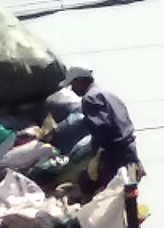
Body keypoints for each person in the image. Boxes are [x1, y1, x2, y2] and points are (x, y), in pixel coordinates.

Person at [59, 64, 145, 197]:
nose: (73, 90)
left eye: (73, 85)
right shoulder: (110, 96)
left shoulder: (90, 98)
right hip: (130, 151)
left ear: (80, 81)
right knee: (126, 195)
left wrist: (95, 155)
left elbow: (101, 127)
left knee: (105, 193)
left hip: (114, 155)